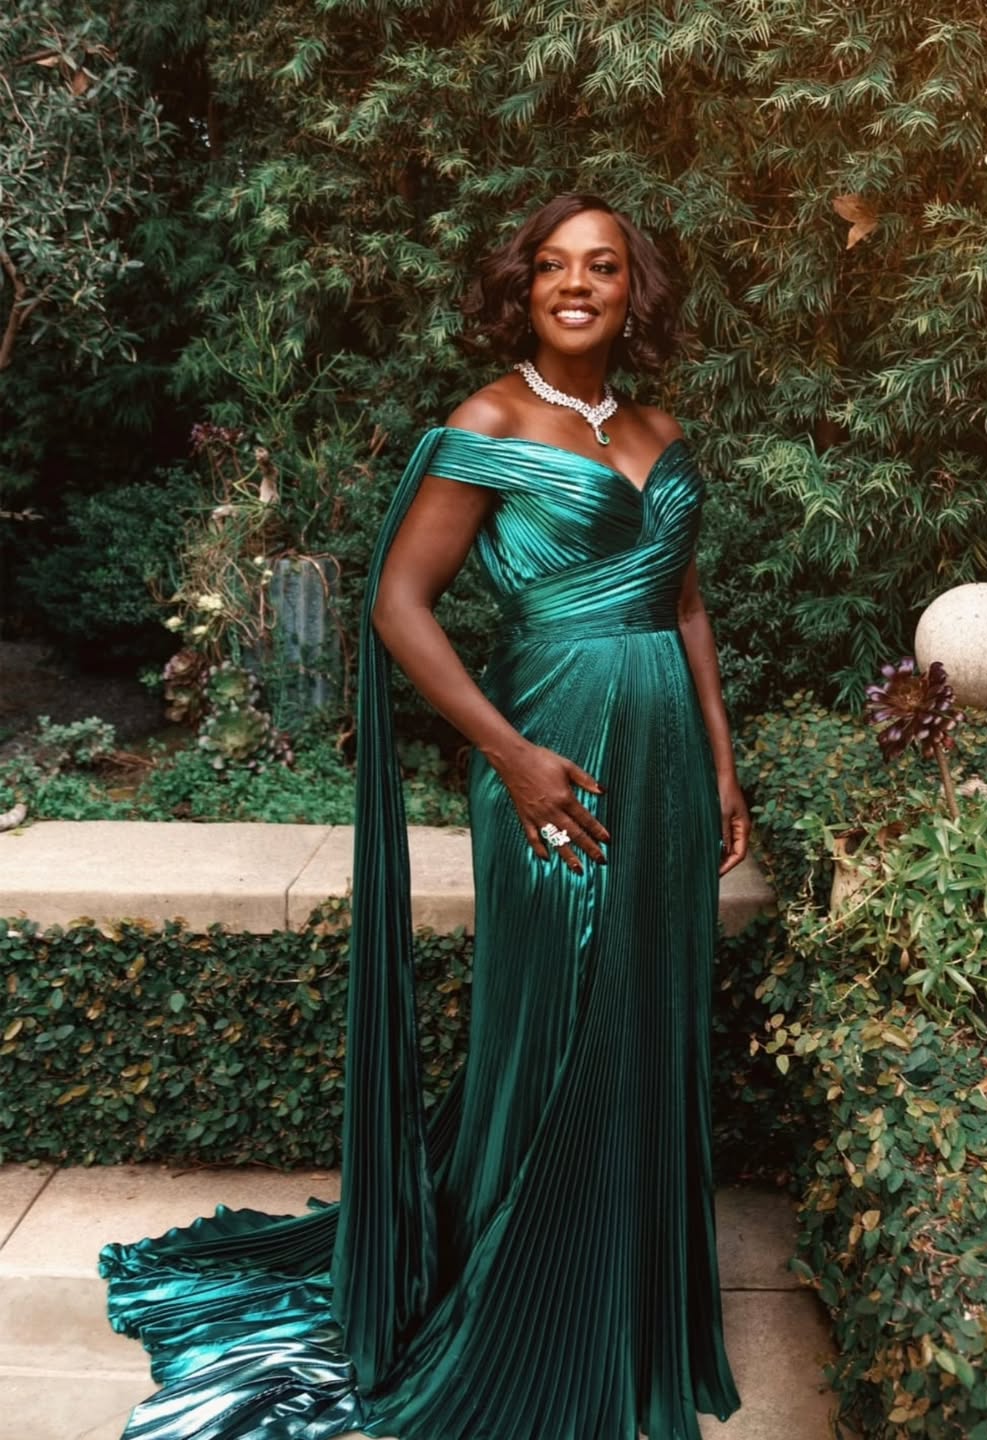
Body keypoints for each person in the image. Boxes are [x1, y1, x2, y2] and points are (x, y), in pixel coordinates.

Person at [100, 193, 751, 1440]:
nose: (578, 285)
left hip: (666, 762)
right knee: (556, 1019)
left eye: (603, 266)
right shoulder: (487, 420)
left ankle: (626, 1301)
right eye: (555, 265)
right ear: (527, 287)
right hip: (549, 756)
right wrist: (510, 758)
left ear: (633, 291)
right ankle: (526, 1307)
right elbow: (400, 605)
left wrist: (723, 763)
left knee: (648, 1015)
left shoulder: (662, 429)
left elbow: (685, 608)